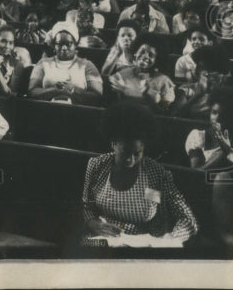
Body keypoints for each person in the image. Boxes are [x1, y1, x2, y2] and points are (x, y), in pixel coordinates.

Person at [81, 101, 198, 246]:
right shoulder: (97, 165)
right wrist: (93, 223)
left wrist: (169, 240)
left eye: (137, 153)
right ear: (113, 144)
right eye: (125, 152)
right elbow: (87, 205)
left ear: (144, 147)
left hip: (142, 243)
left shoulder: (155, 174)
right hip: (102, 240)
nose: (130, 159)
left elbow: (187, 219)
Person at [28, 22, 103, 105]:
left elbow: (97, 96)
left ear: (75, 45)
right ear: (54, 45)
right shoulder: (43, 63)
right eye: (59, 44)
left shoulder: (87, 65)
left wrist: (73, 90)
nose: (64, 48)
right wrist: (53, 90)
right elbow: (32, 91)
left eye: (69, 44)